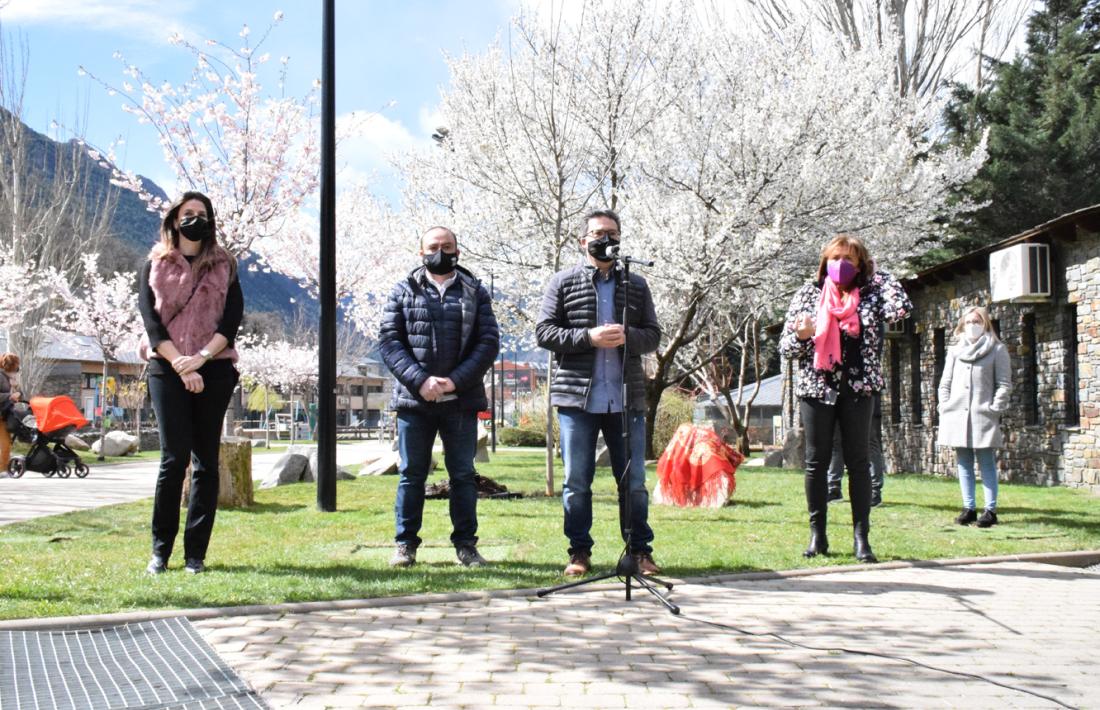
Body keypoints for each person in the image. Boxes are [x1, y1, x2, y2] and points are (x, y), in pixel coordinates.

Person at [536, 209, 662, 577]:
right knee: (577, 481)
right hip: (578, 400)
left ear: (620, 239)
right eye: (596, 233)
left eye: (610, 233)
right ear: (583, 240)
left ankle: (639, 551)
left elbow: (653, 334)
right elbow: (544, 333)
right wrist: (587, 337)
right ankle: (579, 552)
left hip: (626, 399)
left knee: (634, 482)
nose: (604, 239)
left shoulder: (635, 285)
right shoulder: (563, 282)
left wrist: (630, 337)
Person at [779, 234, 910, 563]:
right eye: (835, 258)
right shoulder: (808, 294)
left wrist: (877, 274)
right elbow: (786, 348)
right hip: (817, 387)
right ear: (824, 262)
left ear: (861, 265)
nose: (841, 265)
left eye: (849, 260)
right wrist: (802, 335)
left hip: (859, 387)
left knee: (858, 461)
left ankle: (861, 538)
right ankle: (817, 534)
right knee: (816, 462)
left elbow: (901, 307)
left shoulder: (873, 292)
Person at [378, 226, 499, 568]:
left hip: (460, 401)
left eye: (447, 246)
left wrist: (454, 383)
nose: (441, 252)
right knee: (411, 474)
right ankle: (405, 545)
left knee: (462, 474)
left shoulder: (475, 291)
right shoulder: (403, 290)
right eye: (433, 246)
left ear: (458, 250)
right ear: (421, 252)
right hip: (414, 402)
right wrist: (421, 381)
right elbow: (389, 341)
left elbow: (488, 342)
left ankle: (466, 545)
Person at [138, 191, 243, 575]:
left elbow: (231, 322)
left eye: (202, 213)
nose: (195, 219)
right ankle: (160, 551)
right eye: (188, 213)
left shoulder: (225, 265)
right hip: (167, 368)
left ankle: (195, 554)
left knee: (205, 464)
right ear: (174, 220)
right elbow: (151, 322)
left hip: (214, 369)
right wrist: (181, 364)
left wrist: (200, 359)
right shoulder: (153, 263)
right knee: (173, 458)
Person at [937, 306, 1012, 528]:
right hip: (957, 415)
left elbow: (1004, 384)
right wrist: (945, 405)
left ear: (985, 323)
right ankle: (968, 507)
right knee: (964, 462)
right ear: (962, 325)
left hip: (983, 415)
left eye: (976, 321)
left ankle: (990, 510)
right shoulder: (955, 351)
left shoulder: (997, 349)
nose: (972, 325)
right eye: (968, 322)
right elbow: (945, 382)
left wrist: (994, 407)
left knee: (986, 461)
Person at [826, 391, 886, 506]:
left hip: (863, 389)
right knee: (836, 441)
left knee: (868, 440)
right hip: (835, 389)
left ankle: (874, 491)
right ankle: (833, 489)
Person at [0, 353, 22, 472]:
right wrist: (10, 395)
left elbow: (18, 393)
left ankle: (3, 469)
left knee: (6, 443)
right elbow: (8, 396)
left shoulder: (10, 377)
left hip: (4, 415)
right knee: (5, 443)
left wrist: (17, 390)